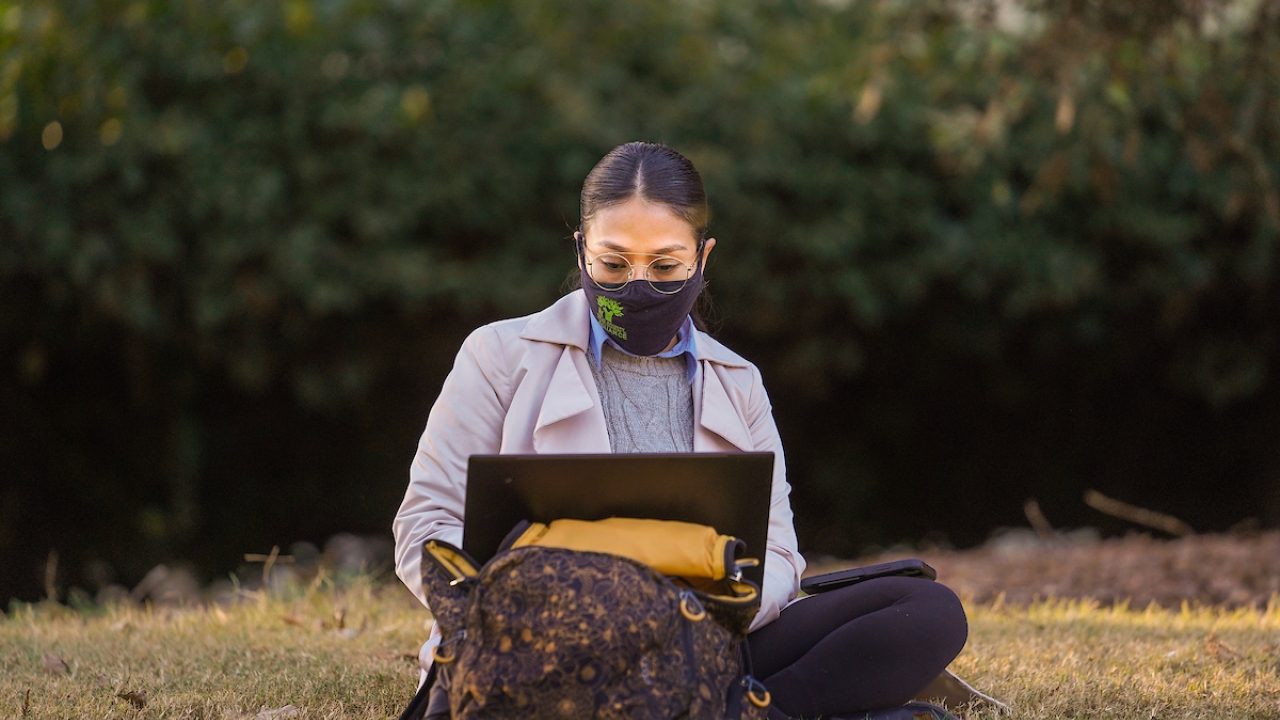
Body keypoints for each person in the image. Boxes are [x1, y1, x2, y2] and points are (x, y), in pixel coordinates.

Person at [393, 142, 970, 719]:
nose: (637, 286)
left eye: (665, 266)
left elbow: (777, 553)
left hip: (703, 638)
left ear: (702, 257)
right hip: (541, 648)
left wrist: (707, 612)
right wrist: (541, 608)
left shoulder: (738, 381)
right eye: (613, 264)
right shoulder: (497, 355)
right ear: (581, 249)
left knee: (927, 609)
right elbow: (426, 526)